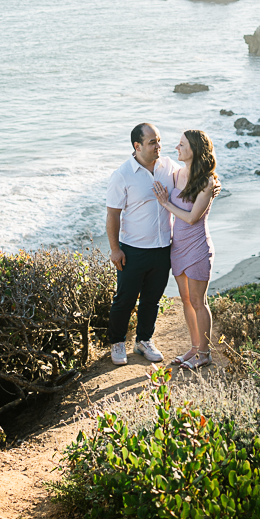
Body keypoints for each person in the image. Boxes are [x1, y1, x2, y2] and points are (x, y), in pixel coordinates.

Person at [105, 123, 180, 366]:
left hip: (162, 248)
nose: (158, 146)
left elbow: (191, 177)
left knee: (152, 299)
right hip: (133, 250)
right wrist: (115, 249)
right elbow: (113, 215)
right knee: (124, 299)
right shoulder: (122, 175)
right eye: (152, 142)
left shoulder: (168, 166)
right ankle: (117, 342)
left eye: (159, 141)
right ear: (137, 146)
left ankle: (143, 340)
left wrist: (212, 183)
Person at [153, 129, 218, 370]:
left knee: (199, 302)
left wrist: (166, 204)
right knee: (186, 301)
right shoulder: (177, 174)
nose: (177, 148)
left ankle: (205, 352)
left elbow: (192, 218)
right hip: (177, 247)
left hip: (197, 247)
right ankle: (194, 347)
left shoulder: (207, 182)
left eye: (181, 145)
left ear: (194, 150)